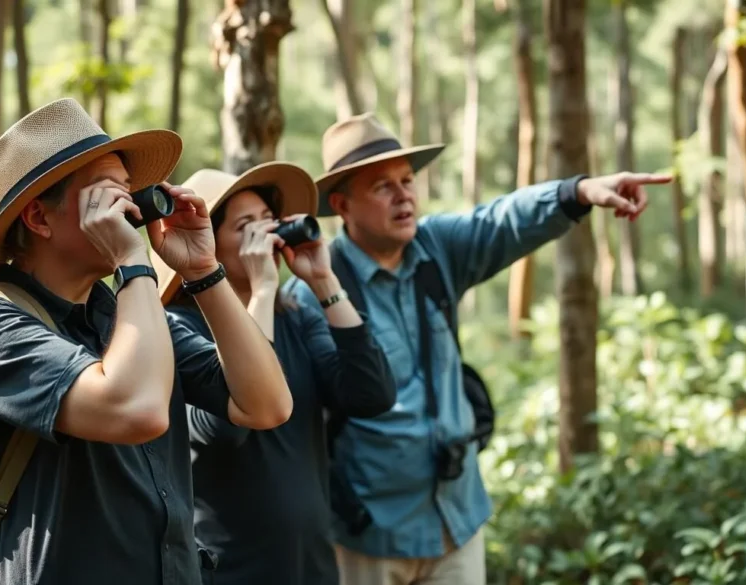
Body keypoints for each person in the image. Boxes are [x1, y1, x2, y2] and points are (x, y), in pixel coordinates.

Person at [283, 112, 671, 585]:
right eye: (382, 186)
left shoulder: (436, 249)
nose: (404, 195)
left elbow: (502, 220)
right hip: (369, 533)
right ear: (342, 205)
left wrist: (581, 191)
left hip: (458, 517)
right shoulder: (314, 291)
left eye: (407, 180)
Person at [0, 98, 293, 585]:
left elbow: (267, 405)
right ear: (39, 218)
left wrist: (203, 271)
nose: (132, 210)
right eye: (109, 195)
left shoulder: (121, 314)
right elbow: (136, 410)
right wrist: (132, 261)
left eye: (130, 193)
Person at [156, 163, 397, 585]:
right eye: (247, 227)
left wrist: (323, 282)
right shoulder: (178, 327)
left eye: (269, 222)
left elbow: (370, 395)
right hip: (229, 569)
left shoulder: (297, 316)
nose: (265, 238)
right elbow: (224, 431)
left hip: (312, 563)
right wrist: (262, 291)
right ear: (205, 240)